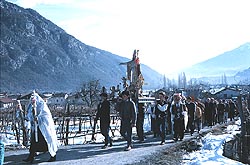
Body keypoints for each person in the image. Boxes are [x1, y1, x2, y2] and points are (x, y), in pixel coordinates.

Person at [23, 91, 58, 163]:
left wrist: (38, 118)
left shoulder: (42, 105)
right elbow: (29, 115)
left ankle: (53, 156)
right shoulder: (31, 106)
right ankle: (31, 156)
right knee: (33, 142)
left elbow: (45, 116)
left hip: (44, 128)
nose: (32, 101)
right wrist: (29, 118)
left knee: (47, 141)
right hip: (36, 127)